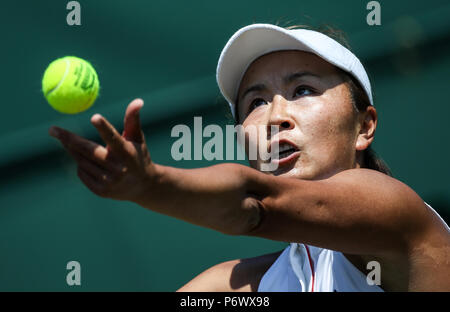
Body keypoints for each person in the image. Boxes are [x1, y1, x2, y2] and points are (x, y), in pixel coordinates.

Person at [48, 23, 450, 292]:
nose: (276, 116)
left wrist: (151, 184)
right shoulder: (237, 288)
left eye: (304, 90)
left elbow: (258, 204)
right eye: (256, 101)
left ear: (364, 127)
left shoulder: (394, 212)